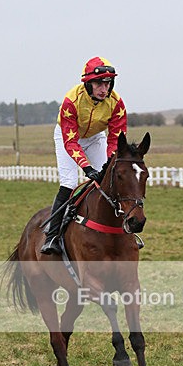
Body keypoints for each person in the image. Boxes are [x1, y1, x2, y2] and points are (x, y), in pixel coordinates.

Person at [41, 56, 127, 255]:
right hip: (67, 136)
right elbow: (71, 142)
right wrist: (87, 168)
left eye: (108, 83)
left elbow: (116, 138)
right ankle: (52, 236)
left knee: (108, 179)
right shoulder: (71, 100)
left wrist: (107, 166)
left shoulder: (117, 103)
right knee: (70, 183)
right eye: (98, 83)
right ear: (88, 84)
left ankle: (124, 229)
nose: (104, 89)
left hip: (95, 137)